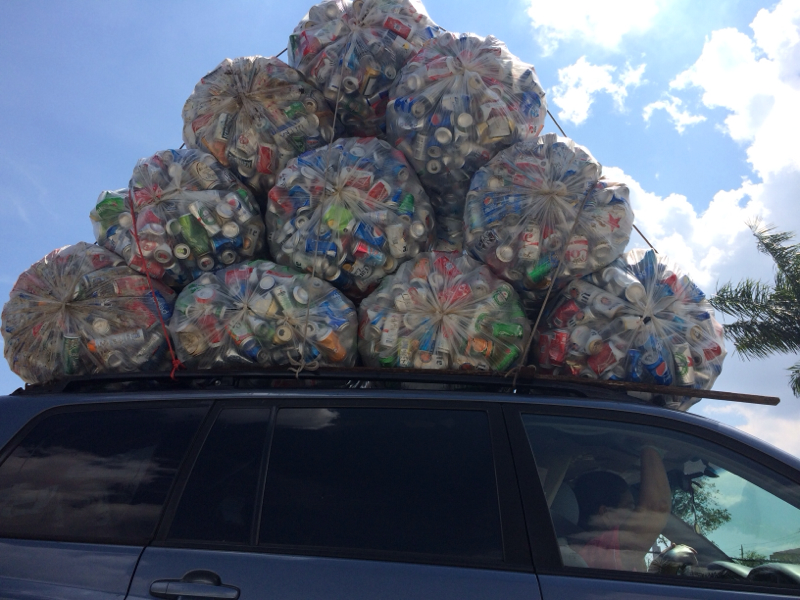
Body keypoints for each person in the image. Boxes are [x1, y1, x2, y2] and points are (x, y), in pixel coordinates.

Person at [572, 446, 671, 572]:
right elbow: (657, 507)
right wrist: (651, 445)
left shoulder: (587, 551)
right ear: (606, 514)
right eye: (630, 507)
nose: (635, 514)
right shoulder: (603, 548)